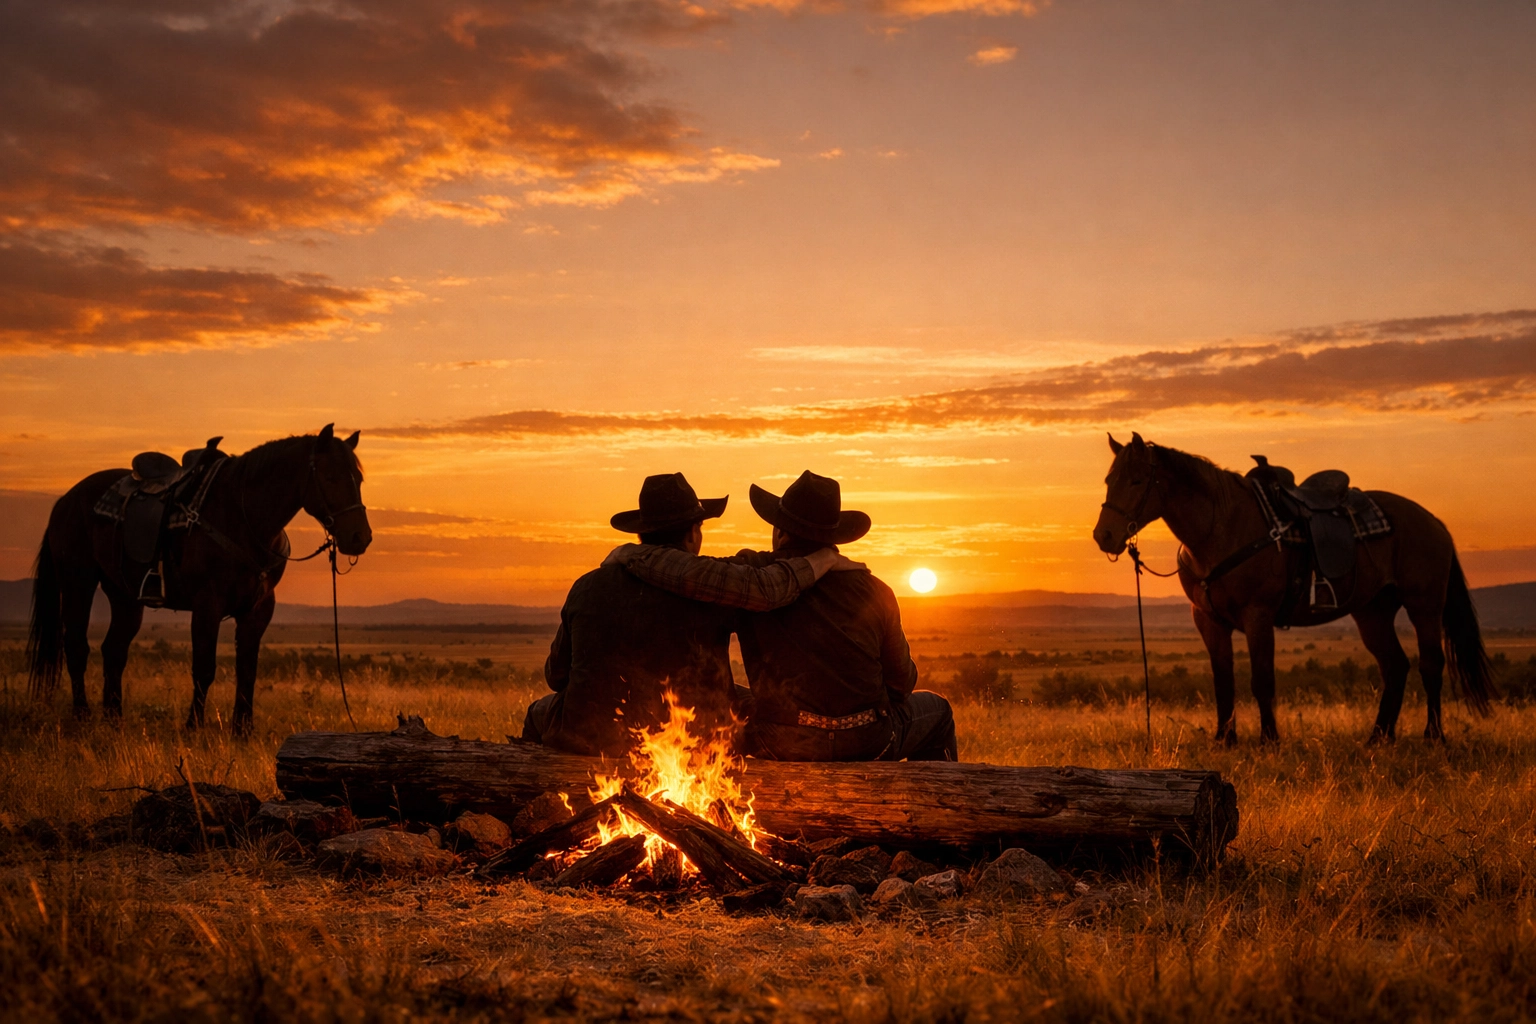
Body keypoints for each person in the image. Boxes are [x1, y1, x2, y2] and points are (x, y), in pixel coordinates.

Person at [608, 471, 958, 762]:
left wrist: (633, 555)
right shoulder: (875, 589)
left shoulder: (750, 574)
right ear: (834, 536)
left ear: (780, 531)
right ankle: (942, 817)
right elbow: (901, 683)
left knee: (731, 701)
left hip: (781, 740)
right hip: (867, 738)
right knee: (937, 711)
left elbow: (691, 573)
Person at [522, 472, 838, 757]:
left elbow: (556, 676)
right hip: (691, 738)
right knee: (751, 707)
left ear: (642, 533)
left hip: (589, 737)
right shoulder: (716, 590)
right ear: (691, 535)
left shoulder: (588, 586)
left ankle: (530, 790)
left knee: (539, 712)